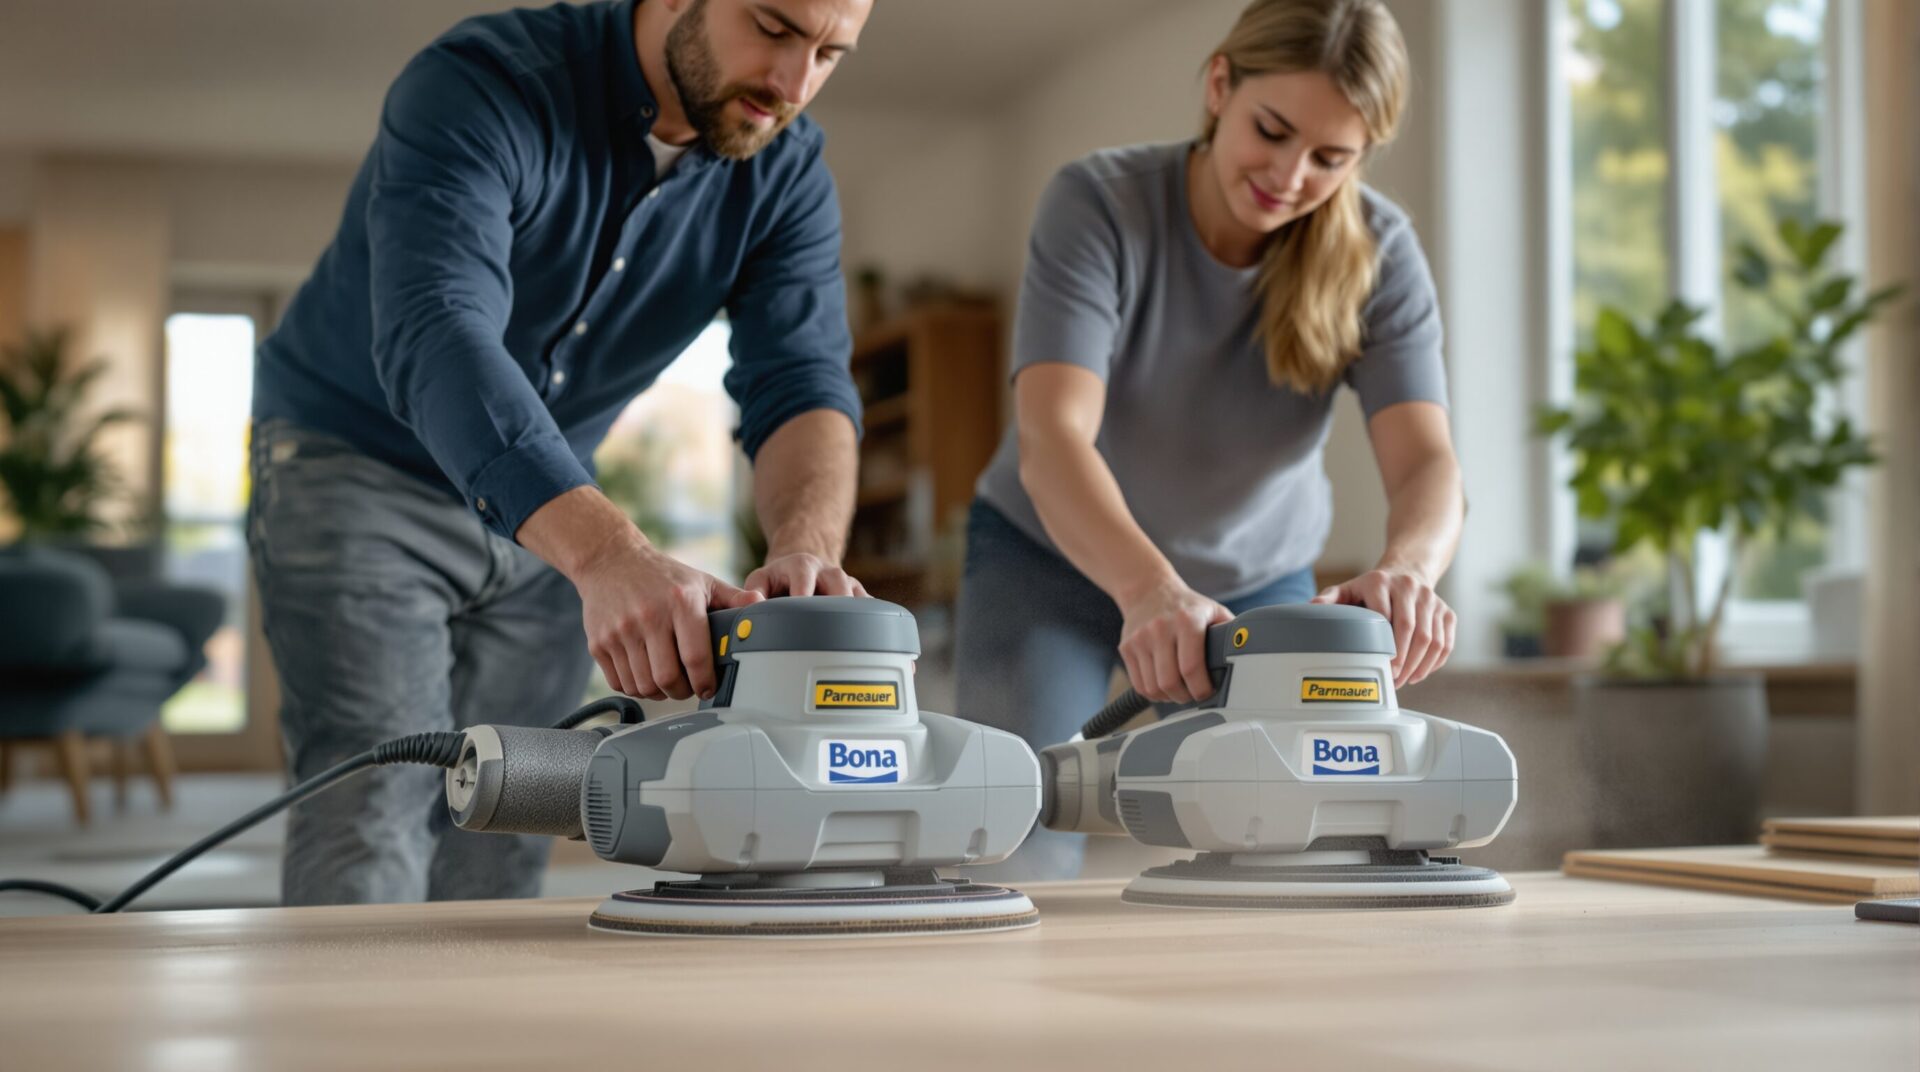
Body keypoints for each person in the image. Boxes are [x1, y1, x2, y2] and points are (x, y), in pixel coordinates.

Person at [248, 0, 874, 906]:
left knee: (523, 795)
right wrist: (611, 554)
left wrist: (805, 549)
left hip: (550, 495)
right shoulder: (482, 84)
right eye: (774, 28)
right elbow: (439, 330)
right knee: (373, 792)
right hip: (358, 461)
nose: (794, 84)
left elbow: (803, 382)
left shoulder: (788, 175)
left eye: (830, 54)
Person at [955, 0, 1462, 880]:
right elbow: (1054, 436)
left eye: (1330, 158)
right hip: (1049, 564)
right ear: (1220, 85)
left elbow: (1426, 461)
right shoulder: (1099, 204)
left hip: (1258, 587)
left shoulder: (1380, 254)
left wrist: (1410, 571)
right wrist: (1149, 590)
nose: (1290, 174)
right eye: (1272, 130)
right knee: (1019, 831)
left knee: (1281, 842)